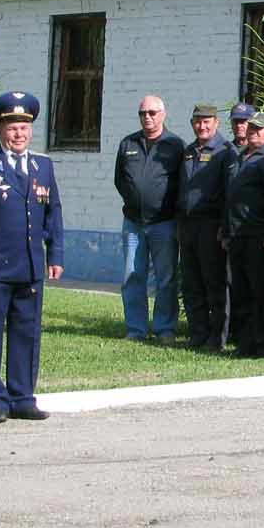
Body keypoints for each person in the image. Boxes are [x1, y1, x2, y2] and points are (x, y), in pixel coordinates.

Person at [0, 91, 65, 425]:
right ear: (0, 131)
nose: (19, 134)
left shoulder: (42, 165)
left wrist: (55, 253)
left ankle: (22, 395)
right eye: (11, 128)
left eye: (24, 127)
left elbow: (53, 213)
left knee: (27, 331)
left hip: (30, 264)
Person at [114, 95, 185, 344]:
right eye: (143, 113)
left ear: (163, 114)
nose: (148, 117)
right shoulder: (128, 143)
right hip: (133, 223)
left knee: (166, 278)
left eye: (153, 112)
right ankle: (136, 329)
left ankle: (165, 328)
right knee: (132, 276)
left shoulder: (175, 146)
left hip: (164, 223)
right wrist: (135, 201)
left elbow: (182, 184)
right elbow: (120, 180)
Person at [177, 104, 236, 351]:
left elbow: (229, 193)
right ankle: (197, 333)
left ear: (216, 123)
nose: (202, 126)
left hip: (211, 225)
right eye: (198, 122)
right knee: (192, 283)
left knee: (214, 284)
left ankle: (217, 337)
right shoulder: (188, 151)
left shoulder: (225, 152)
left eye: (207, 122)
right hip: (188, 225)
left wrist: (224, 227)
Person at [225, 113, 264, 358]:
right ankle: (246, 341)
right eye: (251, 128)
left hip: (258, 237)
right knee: (242, 292)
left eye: (259, 129)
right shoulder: (240, 156)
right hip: (238, 234)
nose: (253, 133)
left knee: (262, 293)